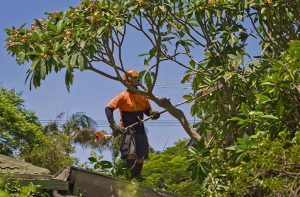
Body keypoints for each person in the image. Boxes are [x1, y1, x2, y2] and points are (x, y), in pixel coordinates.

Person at [105, 69, 160, 178]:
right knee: (130, 154)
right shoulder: (123, 96)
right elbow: (108, 108)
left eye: (138, 78)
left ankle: (136, 181)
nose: (137, 80)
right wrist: (113, 125)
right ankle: (129, 181)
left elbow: (147, 110)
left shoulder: (142, 95)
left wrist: (153, 113)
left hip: (140, 129)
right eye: (135, 78)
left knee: (140, 157)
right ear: (128, 80)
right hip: (128, 129)